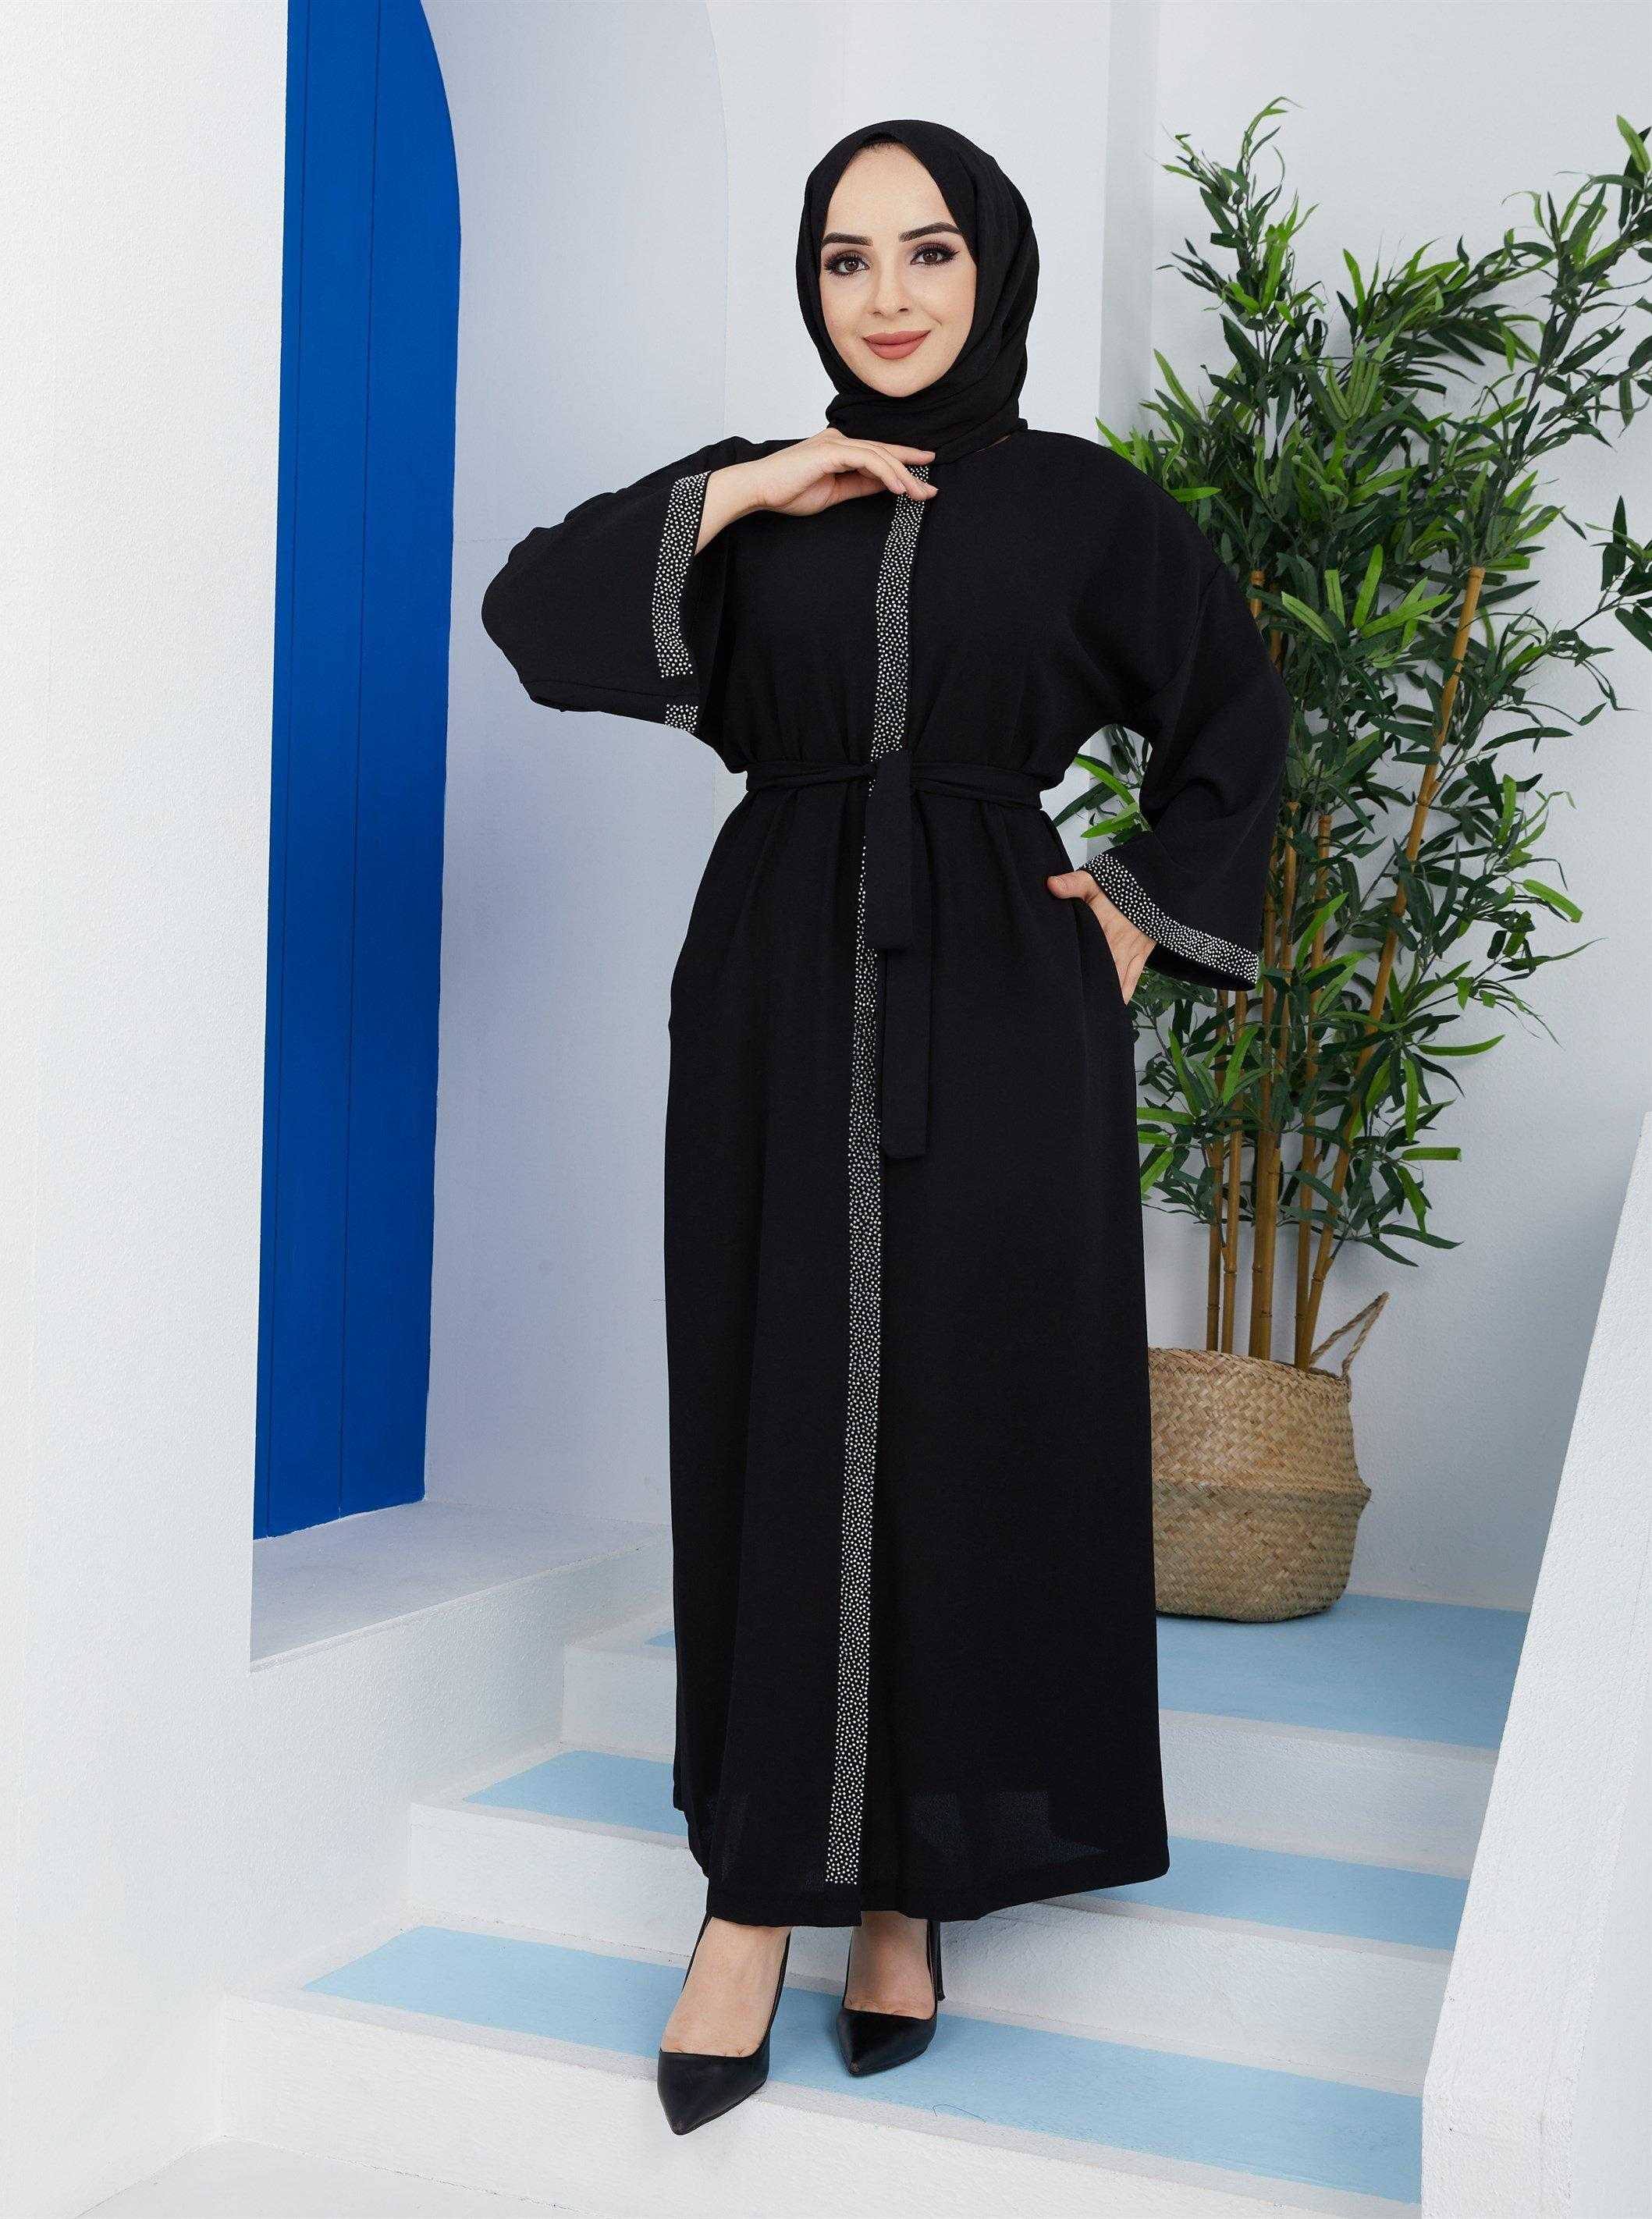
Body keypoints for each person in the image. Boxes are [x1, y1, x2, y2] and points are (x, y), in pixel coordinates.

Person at [481, 116, 1291, 2135]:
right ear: (811, 284)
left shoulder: (1088, 510)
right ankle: (754, 1898)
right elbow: (531, 613)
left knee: (972, 1417)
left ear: (991, 267)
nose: (893, 295)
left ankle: (917, 1885)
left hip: (1004, 1009)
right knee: (777, 1412)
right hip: (774, 988)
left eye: (930, 251)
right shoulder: (760, 500)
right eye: (848, 259)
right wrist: (754, 482)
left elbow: (1236, 716)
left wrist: (1130, 913)